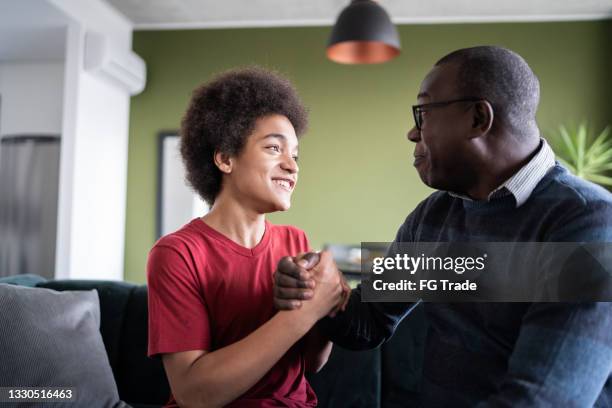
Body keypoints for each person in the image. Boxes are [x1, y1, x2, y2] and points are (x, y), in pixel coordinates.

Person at [273, 46, 612, 406]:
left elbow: (544, 400)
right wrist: (317, 290)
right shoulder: (434, 218)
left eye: (423, 113)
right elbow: (369, 321)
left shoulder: (589, 223)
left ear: (478, 118)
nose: (412, 133)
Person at [146, 67, 343, 408]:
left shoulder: (295, 241)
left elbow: (311, 364)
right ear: (225, 158)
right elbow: (194, 393)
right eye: (273, 149)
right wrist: (300, 315)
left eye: (295, 155)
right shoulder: (177, 253)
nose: (293, 166)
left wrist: (329, 307)